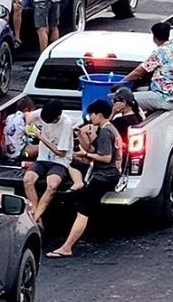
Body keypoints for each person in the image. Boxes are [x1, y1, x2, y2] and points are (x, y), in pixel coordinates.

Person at [47, 99, 121, 258]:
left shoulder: (106, 132)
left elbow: (106, 157)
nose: (90, 118)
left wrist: (85, 154)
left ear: (99, 115)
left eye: (92, 115)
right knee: (84, 205)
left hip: (104, 176)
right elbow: (98, 149)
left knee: (83, 210)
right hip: (107, 175)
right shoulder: (110, 129)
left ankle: (67, 247)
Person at [22, 100, 79, 226]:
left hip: (59, 161)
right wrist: (29, 124)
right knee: (27, 180)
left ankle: (36, 217)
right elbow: (29, 115)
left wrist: (41, 137)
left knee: (52, 185)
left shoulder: (66, 123)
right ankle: (36, 216)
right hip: (42, 159)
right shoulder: (44, 113)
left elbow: (61, 153)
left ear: (57, 117)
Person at [123, 22, 173, 112]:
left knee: (123, 101)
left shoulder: (160, 51)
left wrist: (123, 81)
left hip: (165, 98)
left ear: (154, 37)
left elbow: (139, 72)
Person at [1, 96, 38, 163]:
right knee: (43, 147)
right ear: (26, 110)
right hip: (19, 153)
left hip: (7, 152)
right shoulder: (25, 117)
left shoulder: (9, 117)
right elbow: (32, 133)